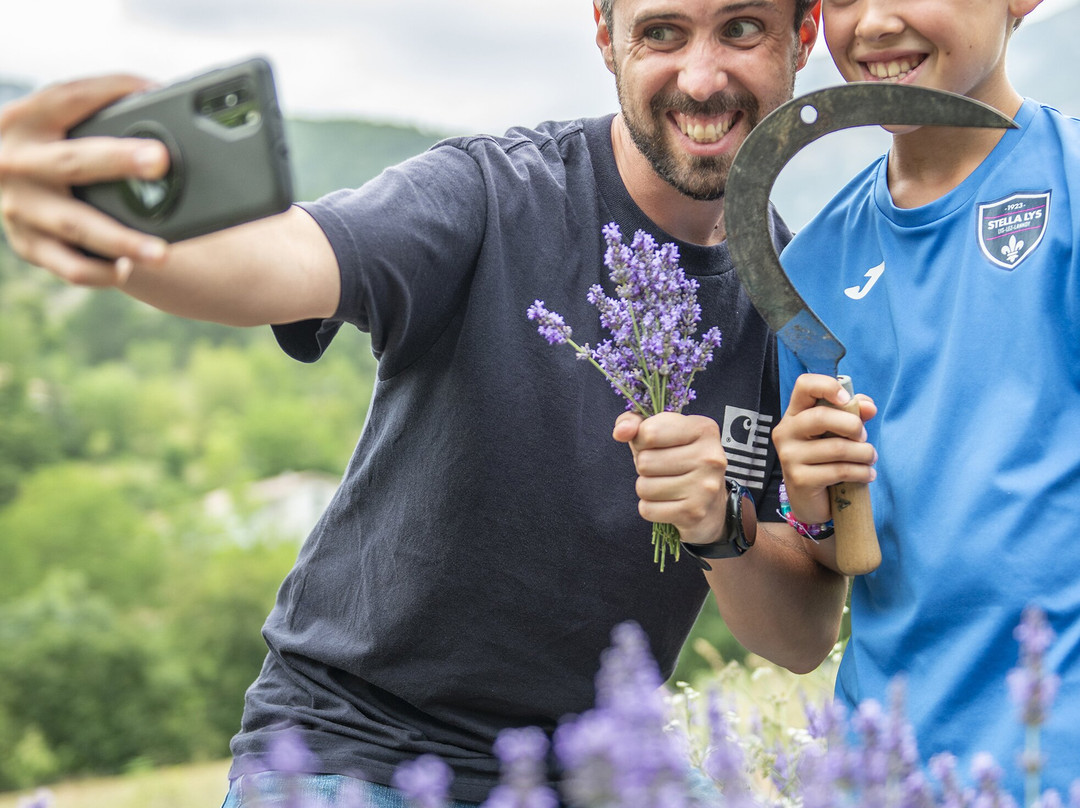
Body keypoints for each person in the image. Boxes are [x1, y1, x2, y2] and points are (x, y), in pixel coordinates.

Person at [0, 0, 847, 805]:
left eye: (741, 28)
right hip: (363, 750)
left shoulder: (794, 296)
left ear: (801, 34)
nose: (701, 79)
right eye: (662, 32)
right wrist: (113, 229)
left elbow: (799, 638)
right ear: (605, 35)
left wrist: (720, 523)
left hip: (598, 767)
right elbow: (288, 257)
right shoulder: (493, 193)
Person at [771, 0, 1079, 796]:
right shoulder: (810, 265)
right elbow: (841, 555)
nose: (872, 21)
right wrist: (810, 502)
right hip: (876, 771)